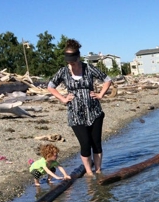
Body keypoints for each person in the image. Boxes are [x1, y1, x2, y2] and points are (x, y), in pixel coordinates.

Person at [47, 39, 112, 176]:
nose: (71, 64)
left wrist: (100, 95)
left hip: (94, 111)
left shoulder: (88, 68)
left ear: (78, 57)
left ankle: (98, 170)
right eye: (69, 61)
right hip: (76, 114)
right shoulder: (63, 72)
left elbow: (107, 80)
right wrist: (63, 99)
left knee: (96, 143)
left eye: (73, 61)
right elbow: (51, 87)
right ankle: (89, 172)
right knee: (85, 143)